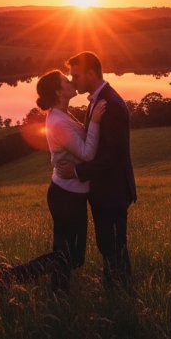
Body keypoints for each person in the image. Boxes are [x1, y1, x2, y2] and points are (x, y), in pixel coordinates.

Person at [0, 69, 106, 291]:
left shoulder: (63, 115)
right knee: (70, 256)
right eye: (66, 80)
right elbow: (86, 154)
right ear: (59, 92)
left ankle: (58, 293)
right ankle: (10, 277)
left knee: (67, 254)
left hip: (68, 192)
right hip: (66, 195)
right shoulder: (57, 121)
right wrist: (94, 121)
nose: (71, 81)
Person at [55, 51, 136, 292]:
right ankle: (115, 294)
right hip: (105, 191)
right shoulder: (98, 101)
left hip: (113, 192)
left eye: (77, 76)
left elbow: (113, 157)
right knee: (108, 246)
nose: (74, 81)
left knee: (114, 247)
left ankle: (122, 296)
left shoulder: (111, 104)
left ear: (91, 73)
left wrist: (77, 171)